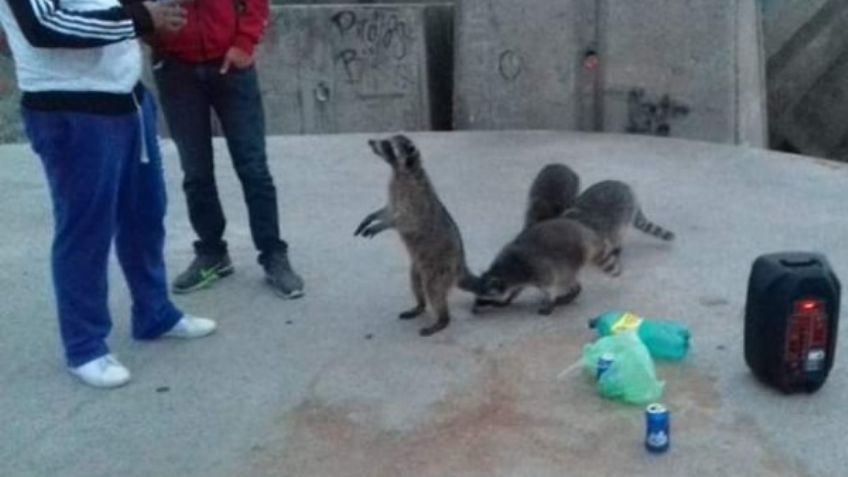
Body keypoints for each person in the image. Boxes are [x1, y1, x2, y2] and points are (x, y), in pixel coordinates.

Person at [0, 0, 216, 388]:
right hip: (70, 110)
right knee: (86, 231)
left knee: (145, 216)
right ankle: (85, 347)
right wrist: (141, 17)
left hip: (127, 100)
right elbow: (45, 26)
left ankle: (154, 313)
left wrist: (147, 14)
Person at [151, 0, 305, 299]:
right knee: (195, 171)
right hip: (176, 69)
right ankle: (212, 253)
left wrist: (245, 42)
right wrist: (155, 37)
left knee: (253, 168)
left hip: (231, 66)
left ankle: (273, 253)